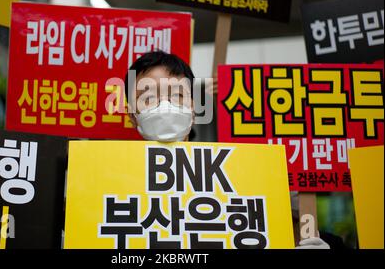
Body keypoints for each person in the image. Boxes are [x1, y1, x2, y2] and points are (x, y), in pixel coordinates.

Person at [125, 51, 335, 249]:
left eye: (178, 94)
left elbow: (280, 223)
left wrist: (304, 238)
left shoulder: (242, 172)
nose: (165, 105)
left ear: (194, 109)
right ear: (132, 116)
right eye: (148, 97)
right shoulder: (117, 183)